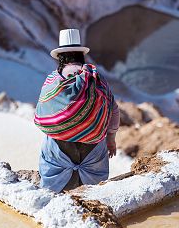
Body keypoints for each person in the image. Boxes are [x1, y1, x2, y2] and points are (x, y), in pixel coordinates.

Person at [34, 29, 120, 192]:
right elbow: (113, 109)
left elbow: (43, 112)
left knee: (48, 142)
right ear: (81, 54)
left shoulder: (53, 80)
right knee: (94, 194)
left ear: (60, 57)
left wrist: (66, 126)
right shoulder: (95, 77)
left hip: (59, 148)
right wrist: (111, 139)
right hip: (92, 147)